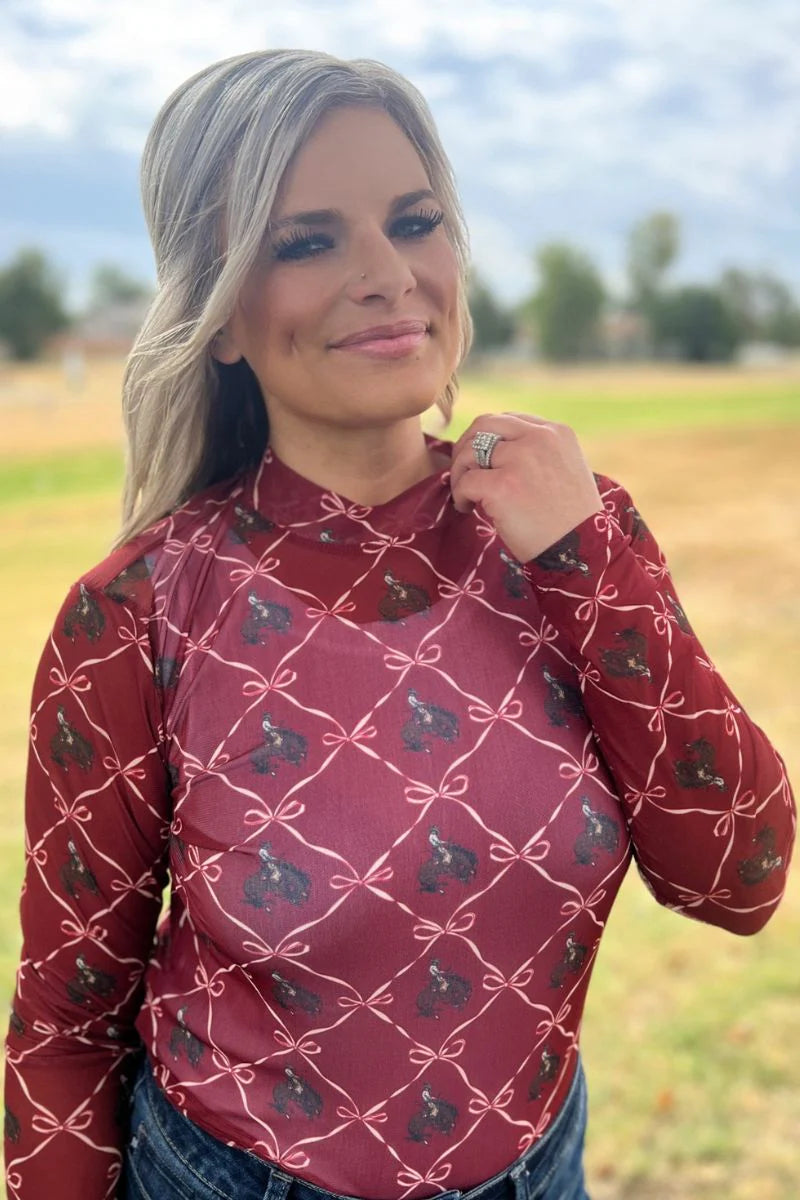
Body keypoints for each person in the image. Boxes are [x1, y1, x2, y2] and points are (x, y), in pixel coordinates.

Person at [3, 48, 795, 1200]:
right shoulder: (136, 616)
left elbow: (739, 876)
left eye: (414, 222)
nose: (387, 275)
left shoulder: (569, 534)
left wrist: (582, 564)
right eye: (305, 241)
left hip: (540, 1173)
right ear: (220, 318)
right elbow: (65, 1029)